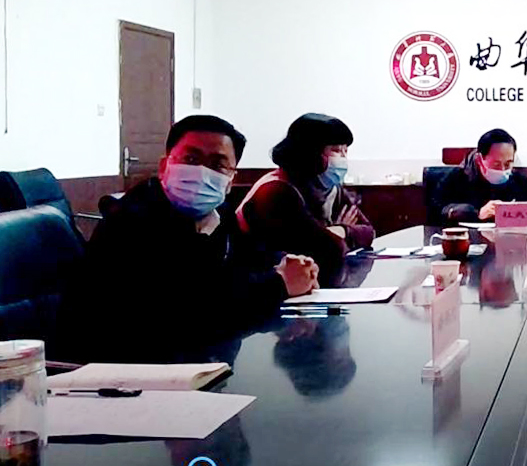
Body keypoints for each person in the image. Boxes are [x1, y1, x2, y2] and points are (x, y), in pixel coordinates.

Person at [59, 115, 319, 363]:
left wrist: (291, 264)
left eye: (217, 165)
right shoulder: (133, 220)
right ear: (164, 167)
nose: (202, 172)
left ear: (231, 179)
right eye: (191, 159)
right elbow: (189, 311)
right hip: (126, 370)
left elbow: (249, 256)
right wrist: (279, 284)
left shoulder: (218, 214)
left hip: (199, 363)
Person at [239, 114, 375, 284]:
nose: (343, 159)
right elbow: (326, 251)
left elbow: (368, 232)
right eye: (335, 150)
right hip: (263, 287)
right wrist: (336, 235)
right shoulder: (276, 191)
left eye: (345, 151)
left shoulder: (331, 188)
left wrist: (341, 230)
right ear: (310, 152)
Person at [435, 128, 527, 223]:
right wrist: (477, 213)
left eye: (508, 163)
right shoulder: (457, 177)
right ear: (479, 160)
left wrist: (526, 211)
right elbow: (438, 212)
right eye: (496, 164)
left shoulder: (517, 180)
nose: (503, 170)